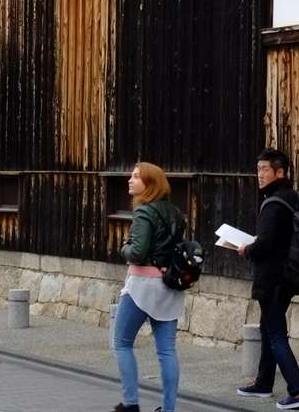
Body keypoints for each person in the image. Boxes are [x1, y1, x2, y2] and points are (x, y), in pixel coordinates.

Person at [235, 148, 299, 409]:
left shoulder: (273, 203)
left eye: (265, 169)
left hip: (272, 279)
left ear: (280, 172)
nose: (260, 175)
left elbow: (265, 245)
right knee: (268, 328)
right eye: (258, 169)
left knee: (276, 334)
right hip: (289, 276)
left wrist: (246, 249)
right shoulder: (294, 198)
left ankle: (297, 391)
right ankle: (263, 383)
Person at [112, 161, 185, 412]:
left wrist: (123, 247)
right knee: (166, 351)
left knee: (121, 343)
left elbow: (138, 253)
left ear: (149, 184)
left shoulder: (144, 212)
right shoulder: (175, 212)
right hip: (169, 287)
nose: (129, 180)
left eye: (135, 176)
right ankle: (168, 408)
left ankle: (130, 403)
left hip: (142, 286)